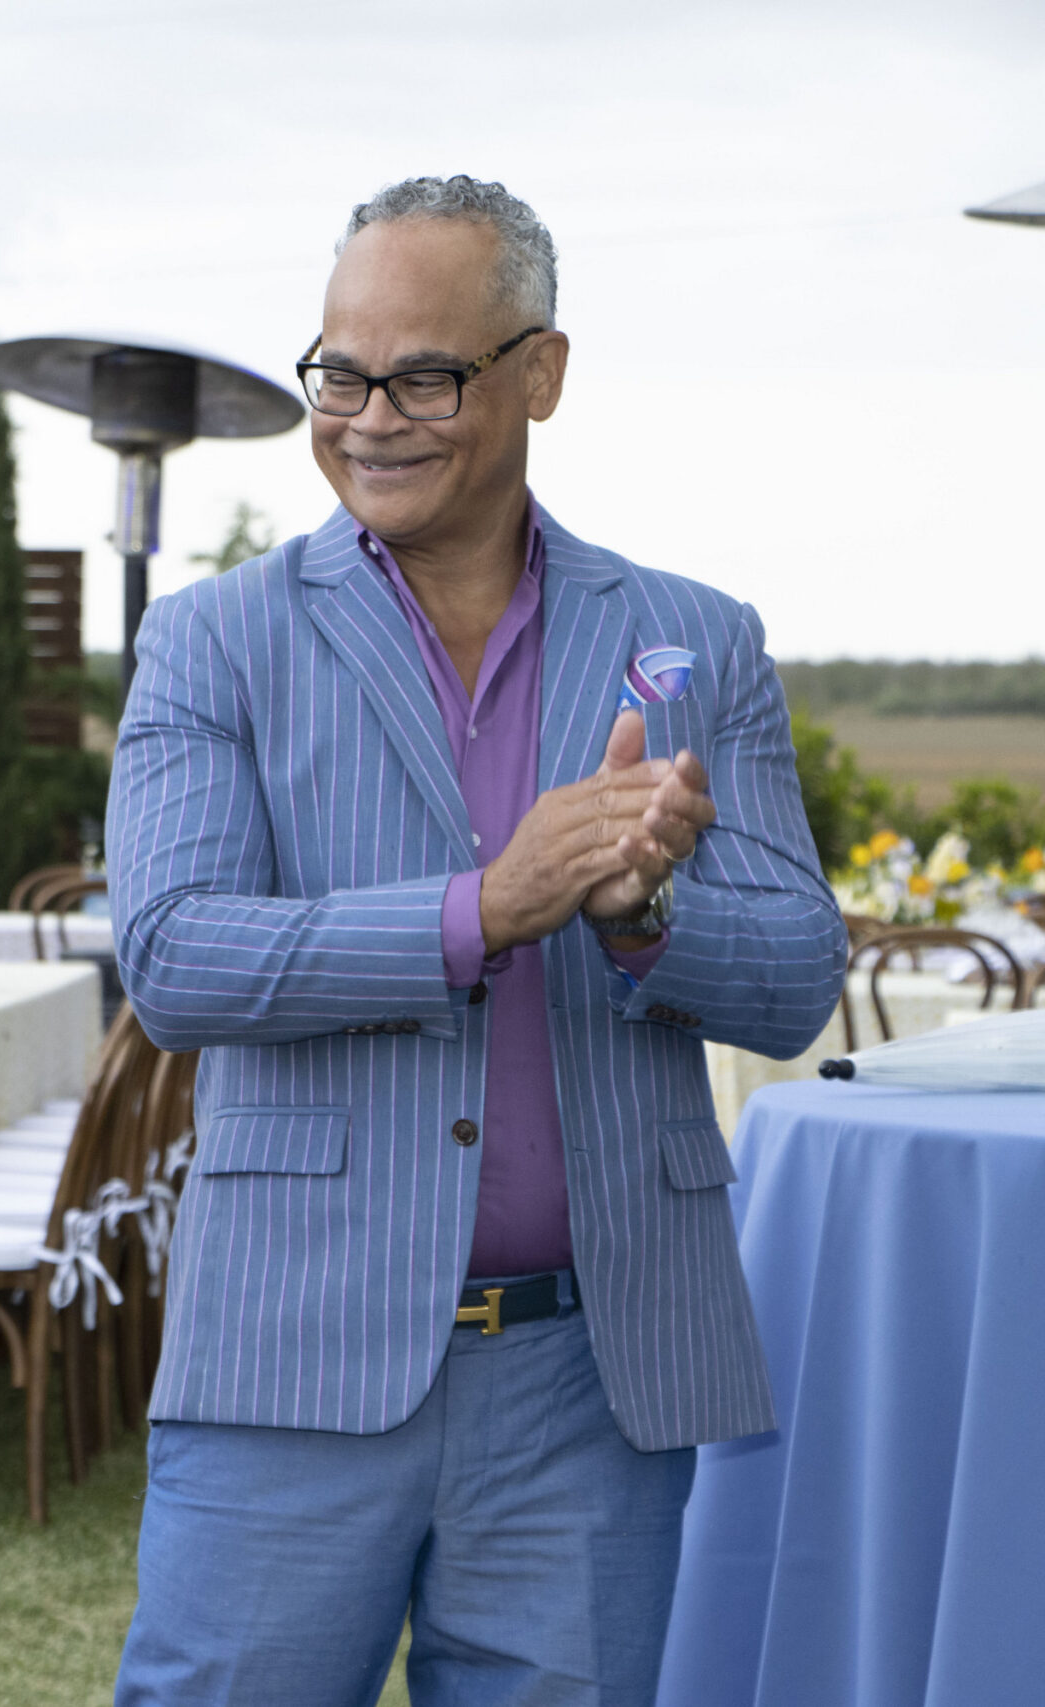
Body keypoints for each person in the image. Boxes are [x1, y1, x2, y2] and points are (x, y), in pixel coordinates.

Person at [106, 177, 847, 1705]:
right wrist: (482, 910)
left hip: (593, 1373)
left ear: (541, 373)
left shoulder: (696, 638)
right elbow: (173, 955)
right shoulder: (214, 637)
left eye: (426, 376)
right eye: (341, 374)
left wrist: (646, 917)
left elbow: (795, 980)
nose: (371, 419)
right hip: (293, 1355)